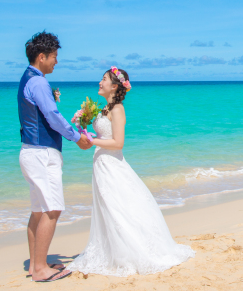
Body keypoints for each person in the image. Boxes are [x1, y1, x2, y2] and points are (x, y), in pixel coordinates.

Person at [67, 67, 195, 276]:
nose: (100, 82)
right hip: (101, 164)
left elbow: (118, 143)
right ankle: (111, 251)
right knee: (107, 208)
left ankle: (128, 252)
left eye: (104, 79)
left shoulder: (117, 109)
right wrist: (86, 131)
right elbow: (103, 136)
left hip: (112, 165)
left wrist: (92, 141)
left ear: (114, 86)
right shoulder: (103, 109)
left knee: (117, 208)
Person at [18, 31, 93, 283]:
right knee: (53, 208)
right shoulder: (39, 83)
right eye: (54, 57)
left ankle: (35, 264)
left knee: (39, 210)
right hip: (42, 153)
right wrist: (76, 137)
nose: (56, 62)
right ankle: (40, 269)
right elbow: (52, 115)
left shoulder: (27, 79)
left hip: (30, 152)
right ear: (42, 57)